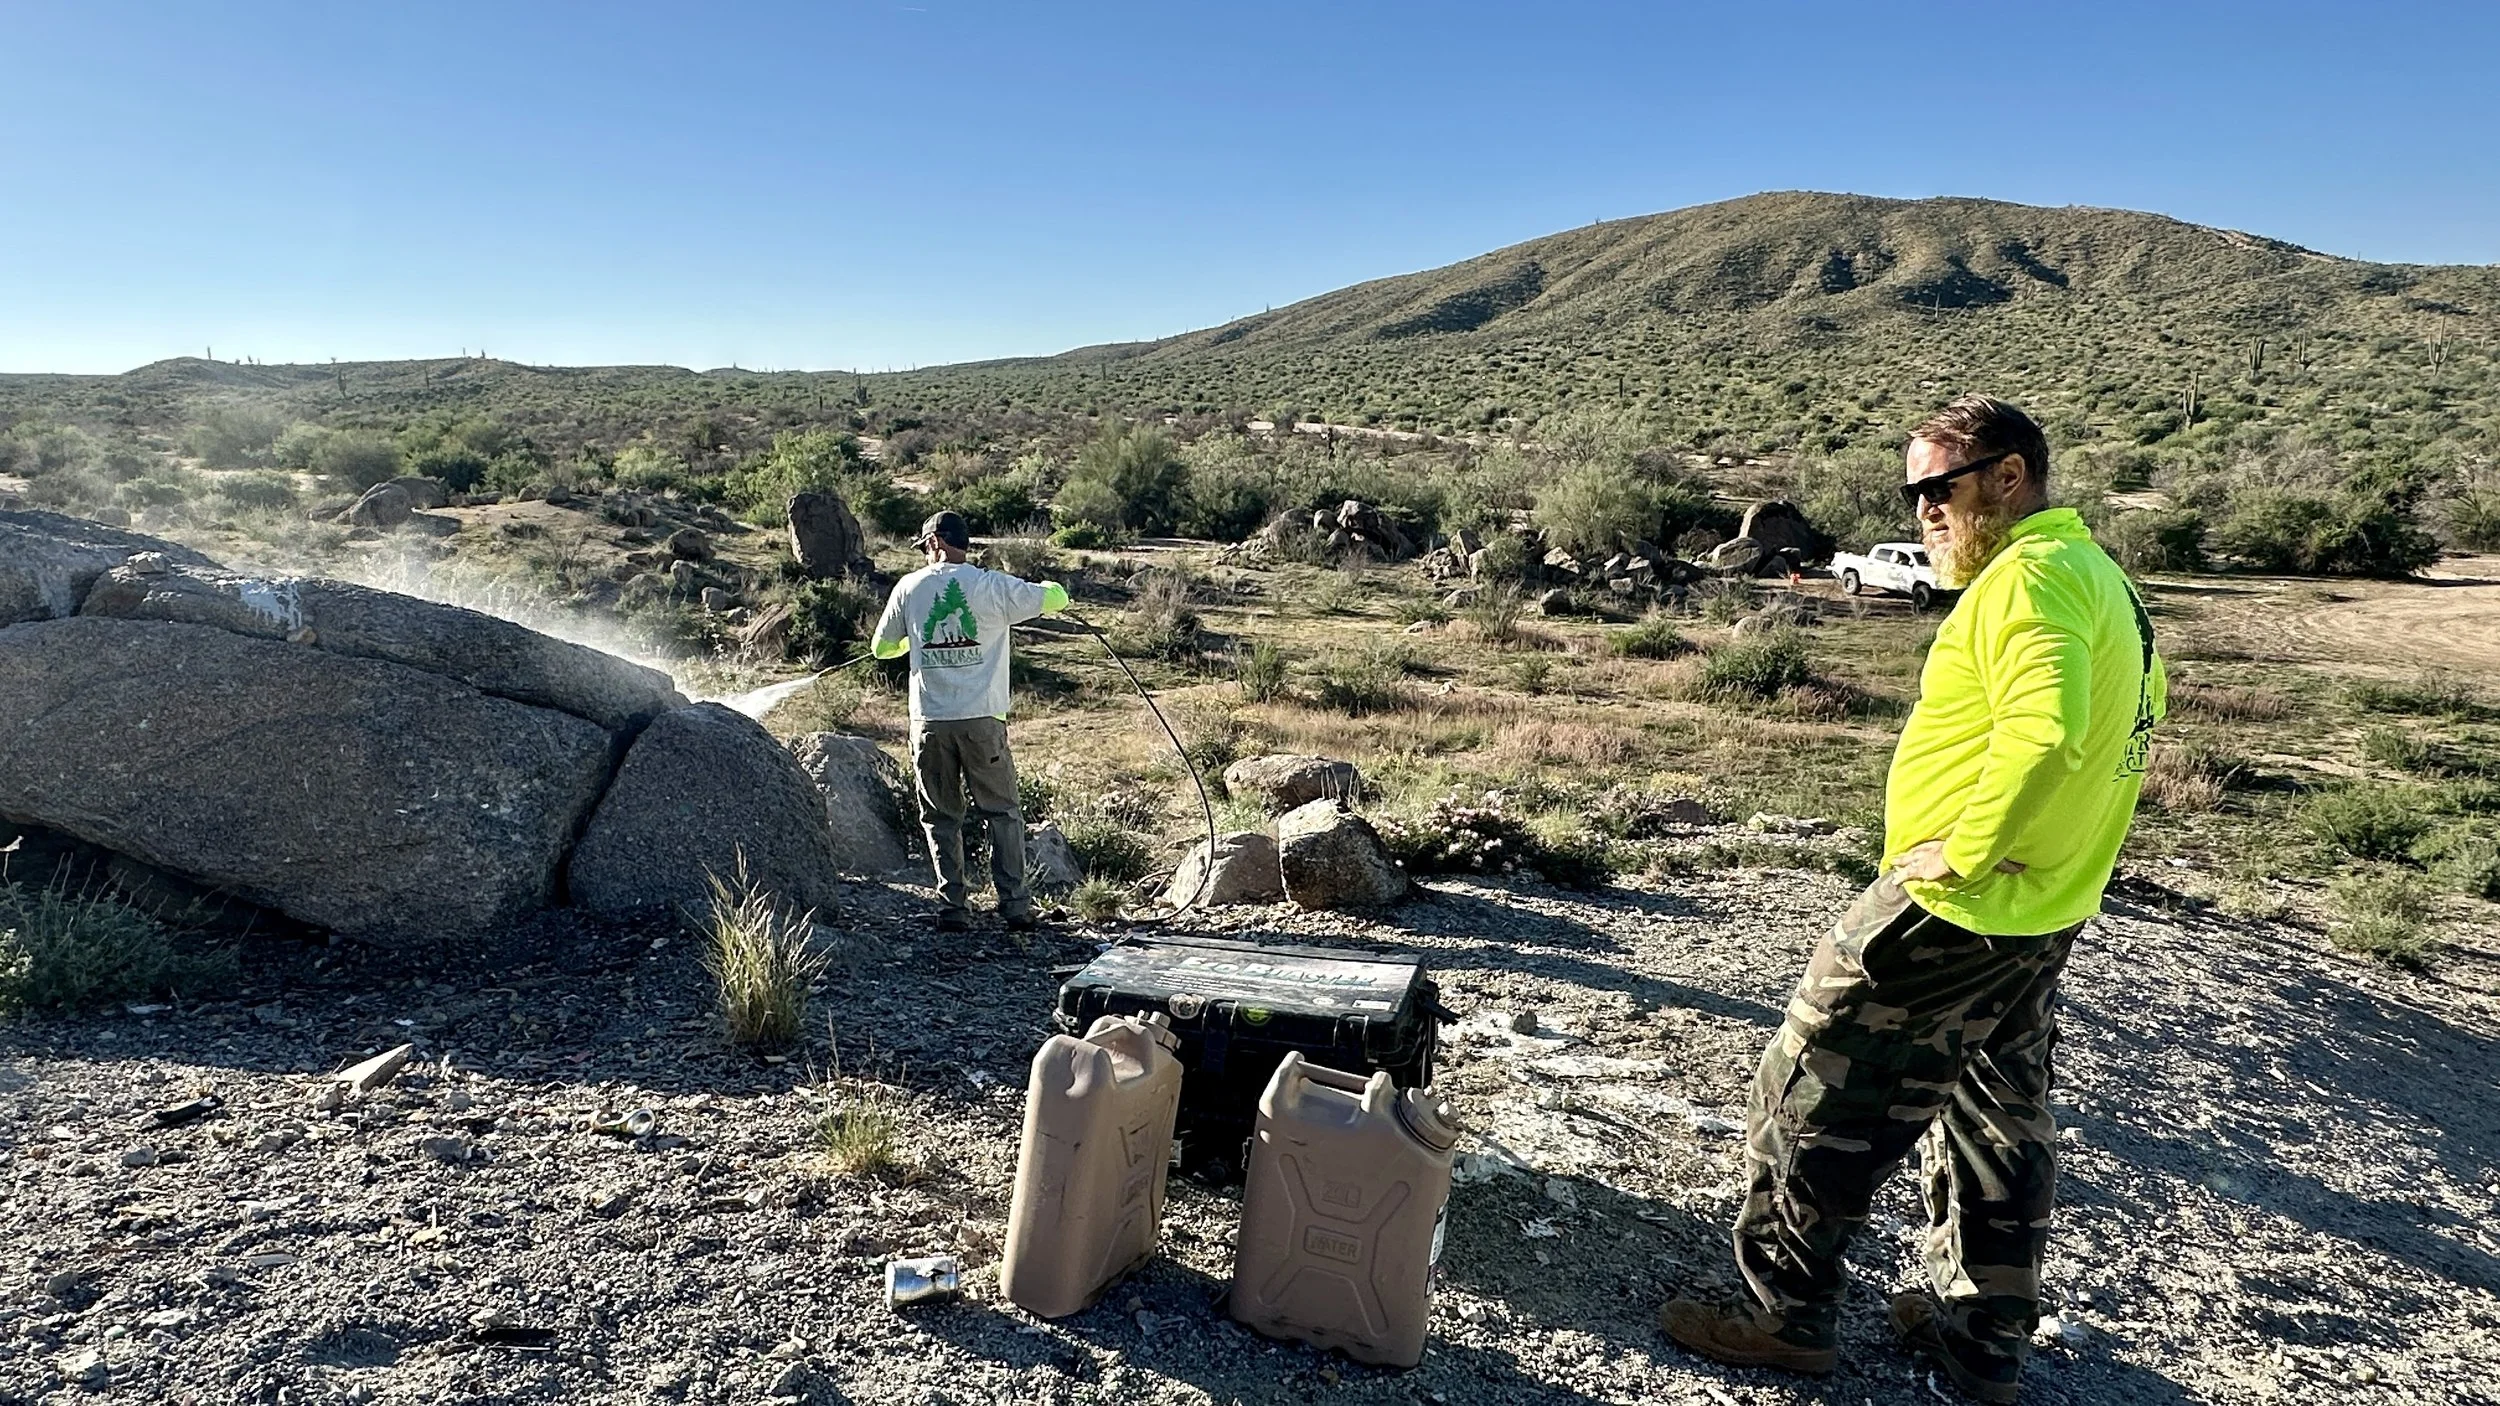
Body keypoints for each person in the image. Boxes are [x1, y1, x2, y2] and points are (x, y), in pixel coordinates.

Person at [1662, 395, 2166, 1403]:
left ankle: (1781, 1316)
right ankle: (1982, 1338)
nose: (1924, 509)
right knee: (1994, 1116)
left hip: (1958, 908)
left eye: (1940, 486)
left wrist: (1966, 850)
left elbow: (2046, 731)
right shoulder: (2093, 572)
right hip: (2039, 910)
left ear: (2009, 476)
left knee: (1808, 1091)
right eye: (1914, 492)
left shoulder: (2029, 578)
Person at [871, 511, 1070, 933]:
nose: (925, 554)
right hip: (983, 722)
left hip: (930, 720)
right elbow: (1057, 599)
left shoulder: (909, 587)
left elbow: (881, 648)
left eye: (925, 547)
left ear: (935, 543)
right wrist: (1045, 585)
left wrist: (914, 642)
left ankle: (953, 908)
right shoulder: (993, 586)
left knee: (940, 816)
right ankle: (1014, 906)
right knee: (1002, 813)